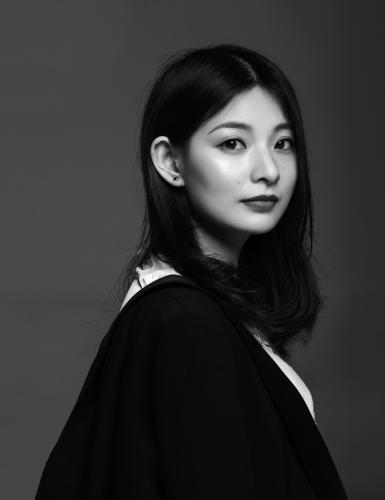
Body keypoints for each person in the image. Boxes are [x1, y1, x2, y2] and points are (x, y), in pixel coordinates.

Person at [35, 43, 349, 499]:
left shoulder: (195, 312)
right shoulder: (187, 324)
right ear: (170, 161)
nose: (268, 170)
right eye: (232, 143)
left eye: (282, 143)